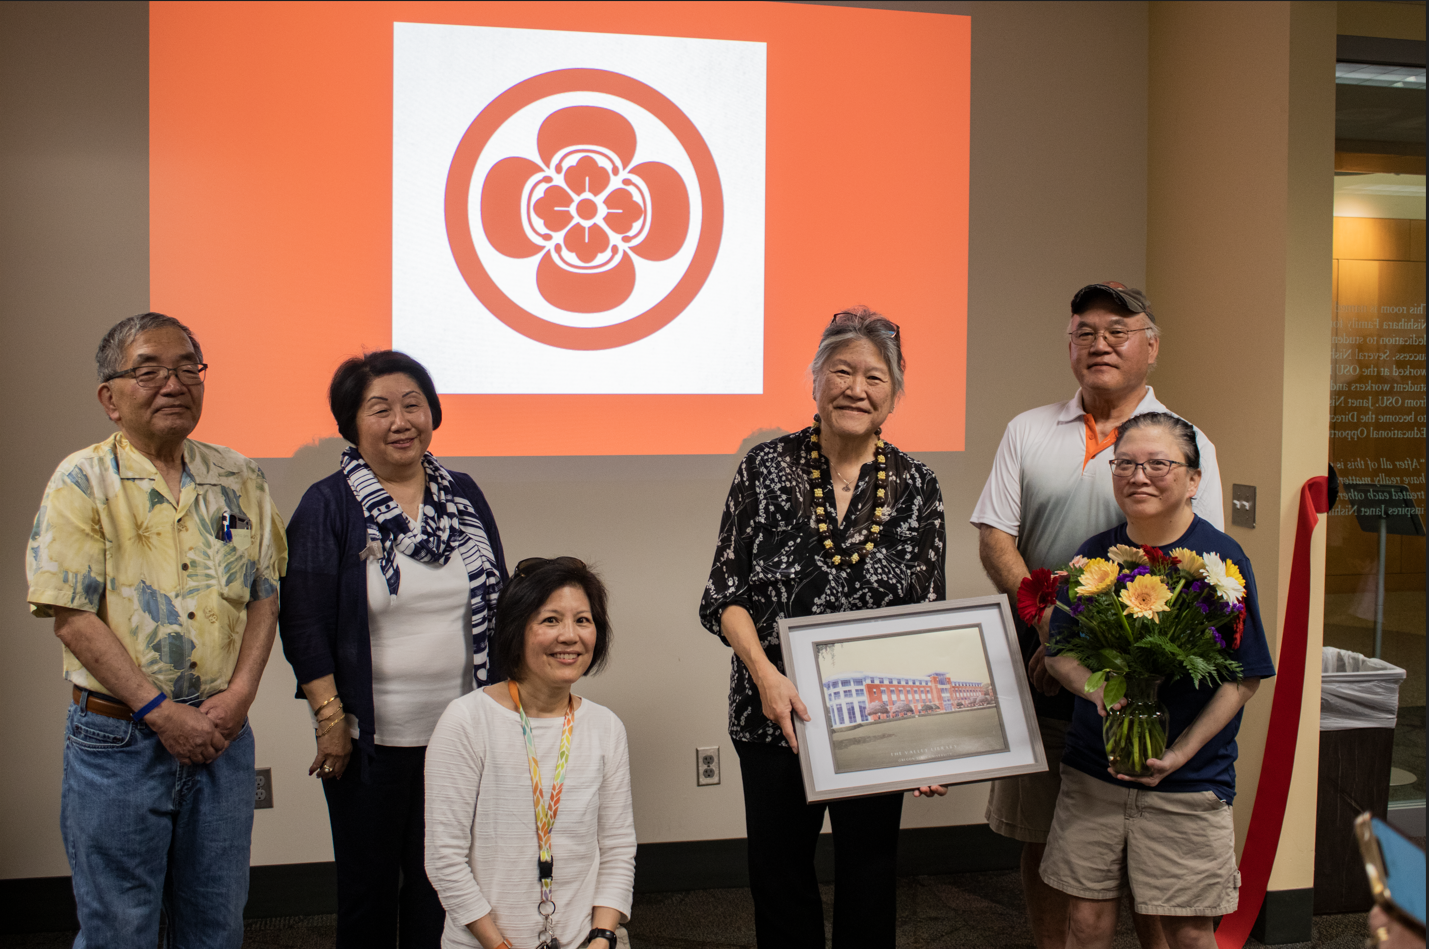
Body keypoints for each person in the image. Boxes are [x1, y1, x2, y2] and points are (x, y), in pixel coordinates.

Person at [970, 282, 1224, 949]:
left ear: (1151, 345)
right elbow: (996, 537)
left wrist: (1113, 656)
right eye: (1084, 331)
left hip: (1148, 687)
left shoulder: (1185, 442)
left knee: (1153, 861)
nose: (1099, 344)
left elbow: (1196, 567)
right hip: (1044, 670)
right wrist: (1050, 627)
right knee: (1047, 839)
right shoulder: (1026, 429)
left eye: (1118, 330)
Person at [26, 312, 286, 949]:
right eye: (149, 371)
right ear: (109, 398)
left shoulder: (240, 476)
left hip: (223, 736)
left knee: (216, 926)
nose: (173, 383)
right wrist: (161, 713)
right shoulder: (80, 480)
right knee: (120, 930)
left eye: (187, 368)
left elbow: (265, 595)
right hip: (117, 740)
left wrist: (242, 697)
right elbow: (71, 615)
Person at [698, 307, 948, 949]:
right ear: (815, 380)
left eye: (874, 377)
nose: (855, 388)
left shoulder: (919, 487)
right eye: (841, 371)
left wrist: (931, 732)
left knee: (871, 873)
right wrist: (766, 677)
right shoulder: (764, 469)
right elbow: (726, 594)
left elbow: (928, 619)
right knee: (779, 876)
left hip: (875, 716)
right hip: (773, 710)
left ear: (893, 395)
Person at [278, 351, 508, 948]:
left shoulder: (465, 496)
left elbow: (500, 601)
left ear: (433, 412)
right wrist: (330, 719)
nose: (400, 420)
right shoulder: (327, 505)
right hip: (367, 744)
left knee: (447, 889)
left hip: (461, 735)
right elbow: (302, 623)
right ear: (351, 423)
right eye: (379, 409)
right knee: (368, 894)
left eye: (413, 404)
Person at [1041, 412, 1274, 949]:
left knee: (1187, 928)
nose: (1137, 475)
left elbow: (1244, 678)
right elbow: (1059, 655)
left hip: (1190, 782)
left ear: (1193, 480)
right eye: (1124, 463)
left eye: (1158, 464)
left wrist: (1180, 754)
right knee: (1087, 922)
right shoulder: (1096, 555)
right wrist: (1101, 693)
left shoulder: (1221, 563)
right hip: (1094, 771)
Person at [425, 557, 635, 949]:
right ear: (515, 629)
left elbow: (618, 849)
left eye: (583, 620)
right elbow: (444, 862)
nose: (570, 636)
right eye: (550, 620)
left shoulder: (606, 727)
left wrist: (603, 937)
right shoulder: (467, 721)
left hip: (587, 941)